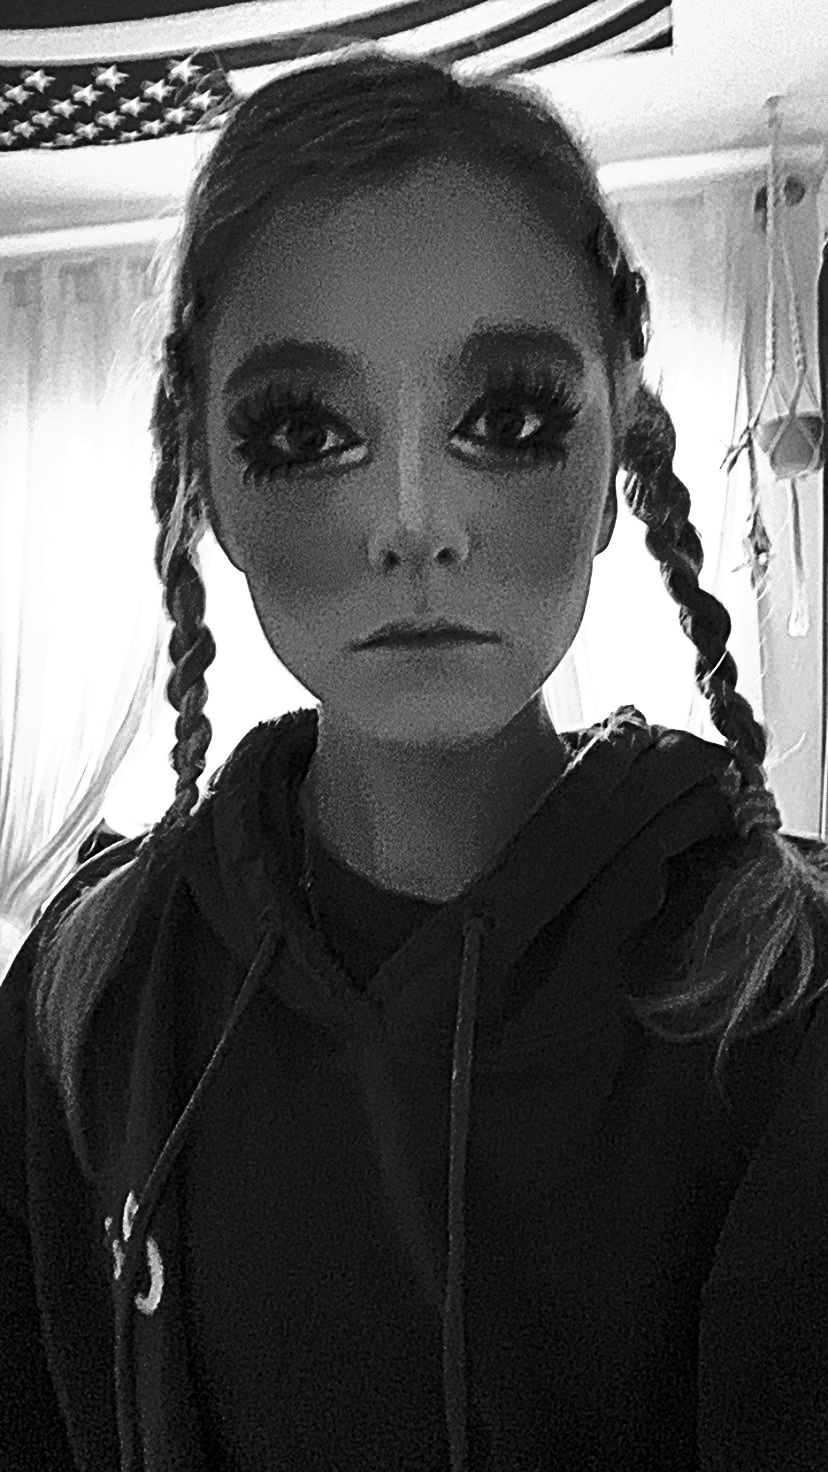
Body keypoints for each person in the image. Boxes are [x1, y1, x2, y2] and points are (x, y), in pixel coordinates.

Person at [3, 43, 828, 1472]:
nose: (413, 524)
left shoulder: (786, 1002)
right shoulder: (94, 992)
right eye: (306, 431)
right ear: (206, 482)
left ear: (619, 453)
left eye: (505, 420)